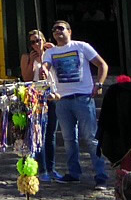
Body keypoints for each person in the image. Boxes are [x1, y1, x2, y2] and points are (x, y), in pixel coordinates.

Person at [41, 20, 109, 187]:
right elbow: (46, 66)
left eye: (61, 28)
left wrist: (99, 84)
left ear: (69, 31)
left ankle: (101, 175)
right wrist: (44, 69)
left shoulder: (82, 46)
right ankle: (73, 173)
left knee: (91, 138)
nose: (58, 32)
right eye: (54, 29)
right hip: (62, 100)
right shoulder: (50, 52)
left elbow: (102, 65)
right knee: (69, 139)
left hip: (83, 98)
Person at [21, 29, 60, 180]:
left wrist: (47, 55)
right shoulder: (27, 57)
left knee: (51, 134)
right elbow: (27, 78)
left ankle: (51, 168)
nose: (36, 44)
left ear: (44, 40)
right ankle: (42, 169)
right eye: (32, 42)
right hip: (37, 97)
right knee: (40, 134)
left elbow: (55, 73)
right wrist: (32, 62)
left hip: (52, 94)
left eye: (38, 40)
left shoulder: (52, 53)